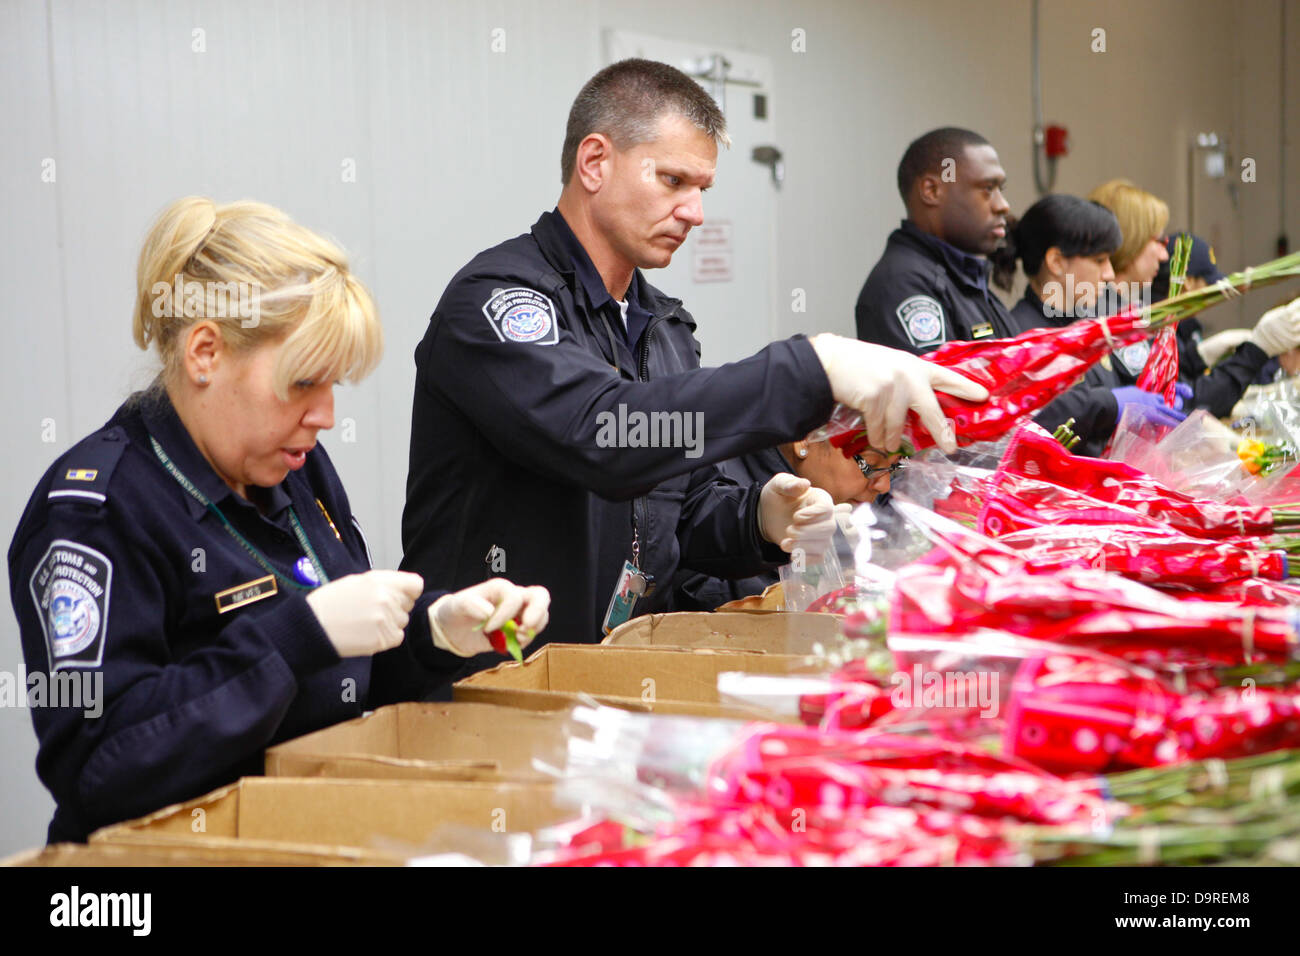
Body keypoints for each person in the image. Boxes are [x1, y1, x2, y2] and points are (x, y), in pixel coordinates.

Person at [401, 60, 985, 688]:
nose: (695, 212)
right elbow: (605, 435)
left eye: (703, 187)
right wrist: (810, 366)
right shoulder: (500, 301)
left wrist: (757, 517)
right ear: (595, 163)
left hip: (606, 674)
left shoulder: (663, 327)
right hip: (489, 680)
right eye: (673, 180)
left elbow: (674, 508)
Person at [7, 197, 551, 843]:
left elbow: (348, 676)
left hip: (306, 833)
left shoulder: (292, 467)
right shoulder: (96, 512)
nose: (325, 415)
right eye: (302, 384)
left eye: (334, 387)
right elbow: (97, 767)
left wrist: (434, 633)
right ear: (205, 353)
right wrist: (295, 638)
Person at [994, 194, 1187, 455]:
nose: (1109, 274)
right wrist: (1110, 406)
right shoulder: (1019, 335)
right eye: (1099, 261)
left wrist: (1158, 389)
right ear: (1056, 262)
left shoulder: (1092, 325)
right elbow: (1032, 428)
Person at [1088, 180, 1300, 415]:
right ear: (1130, 240)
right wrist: (1256, 351)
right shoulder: (1107, 316)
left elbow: (1173, 386)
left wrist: (1196, 357)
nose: (1162, 254)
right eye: (1157, 241)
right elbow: (1179, 404)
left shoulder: (1130, 308)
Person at [668, 442, 901, 611]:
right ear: (805, 440)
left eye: (894, 467)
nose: (883, 485)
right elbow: (696, 593)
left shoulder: (854, 505)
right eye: (870, 464)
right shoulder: (713, 478)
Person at [855, 127, 1016, 352]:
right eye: (988, 188)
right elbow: (936, 386)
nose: (1003, 205)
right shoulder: (904, 286)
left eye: (1001, 189)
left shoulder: (963, 278)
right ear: (931, 191)